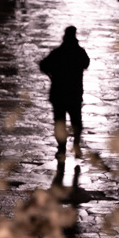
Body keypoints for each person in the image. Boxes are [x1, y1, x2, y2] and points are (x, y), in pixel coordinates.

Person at [39, 26, 90, 156]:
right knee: (76, 121)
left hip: (58, 94)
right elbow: (86, 63)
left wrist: (52, 73)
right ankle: (76, 145)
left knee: (60, 122)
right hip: (74, 93)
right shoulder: (79, 52)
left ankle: (61, 148)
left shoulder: (57, 52)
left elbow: (43, 65)